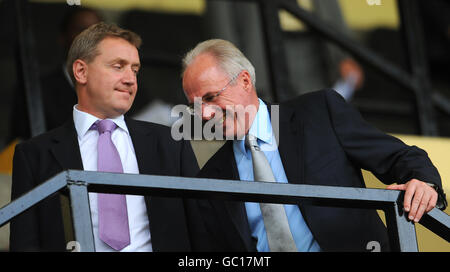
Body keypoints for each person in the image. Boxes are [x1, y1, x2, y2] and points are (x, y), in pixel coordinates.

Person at [181, 39, 447, 252]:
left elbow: (398, 157)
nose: (204, 114)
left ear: (245, 81)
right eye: (196, 105)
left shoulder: (319, 112)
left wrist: (424, 183)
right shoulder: (211, 177)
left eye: (211, 97)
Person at [10, 22, 201, 252]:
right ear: (81, 72)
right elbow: (25, 244)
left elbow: (202, 230)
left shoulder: (171, 144)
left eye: (135, 69)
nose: (131, 79)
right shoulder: (34, 155)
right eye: (118, 66)